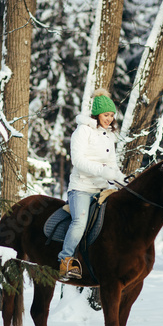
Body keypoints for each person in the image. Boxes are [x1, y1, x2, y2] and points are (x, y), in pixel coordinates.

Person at [58, 88, 125, 279]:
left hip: (103, 189)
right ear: (97, 114)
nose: (109, 118)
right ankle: (66, 260)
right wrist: (102, 171)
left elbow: (112, 165)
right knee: (80, 221)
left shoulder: (109, 135)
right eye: (106, 114)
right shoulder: (83, 131)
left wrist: (121, 178)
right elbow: (77, 161)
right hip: (81, 188)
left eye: (112, 115)